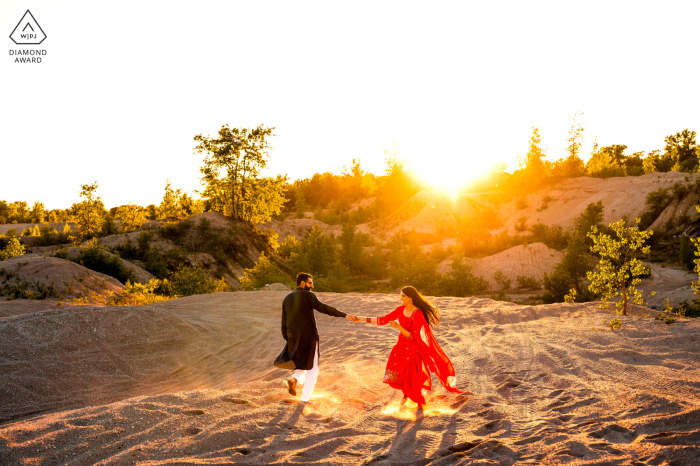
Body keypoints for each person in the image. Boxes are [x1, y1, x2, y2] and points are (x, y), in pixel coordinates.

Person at [355, 286, 462, 409]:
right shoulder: (400, 310)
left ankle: (421, 404)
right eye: (400, 295)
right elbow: (383, 319)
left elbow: (413, 336)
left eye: (403, 296)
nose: (400, 298)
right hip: (401, 346)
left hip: (414, 348)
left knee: (411, 376)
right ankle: (406, 393)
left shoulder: (419, 314)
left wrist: (398, 326)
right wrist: (362, 318)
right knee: (397, 373)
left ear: (410, 298)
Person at [274, 272, 358, 403]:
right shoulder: (308, 295)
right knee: (313, 368)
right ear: (302, 283)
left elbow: (283, 319)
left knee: (304, 362)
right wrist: (345, 315)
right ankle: (305, 400)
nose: (312, 285)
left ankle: (294, 380)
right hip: (308, 336)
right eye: (310, 283)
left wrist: (287, 337)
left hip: (293, 336)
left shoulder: (287, 298)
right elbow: (323, 308)